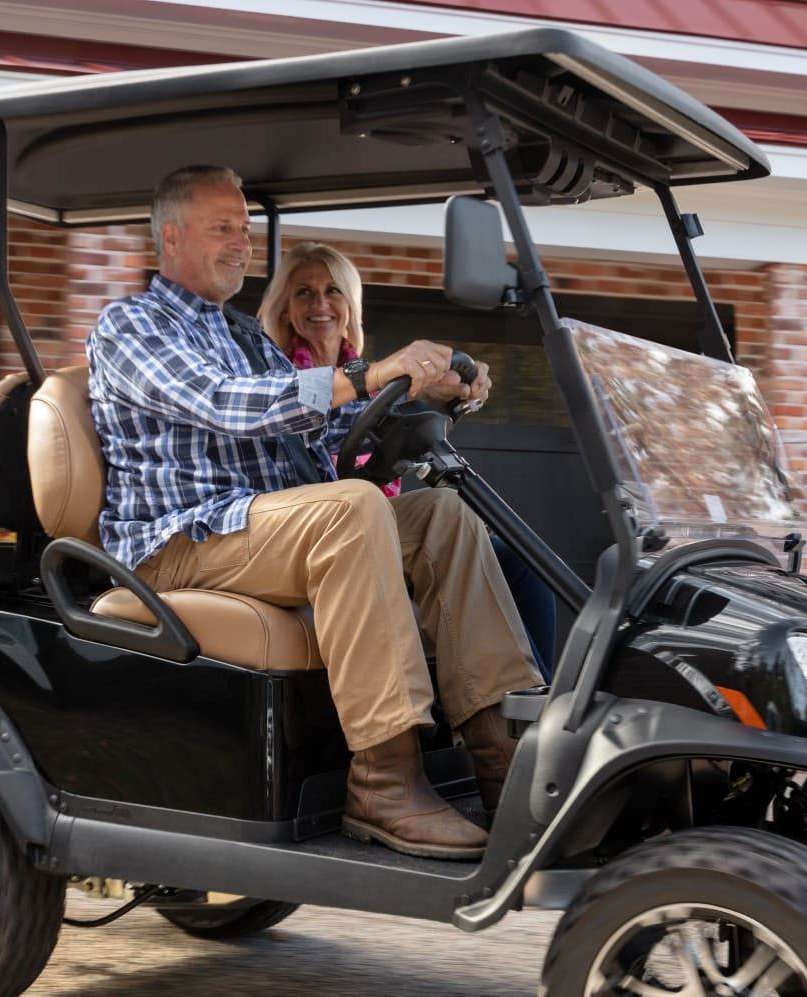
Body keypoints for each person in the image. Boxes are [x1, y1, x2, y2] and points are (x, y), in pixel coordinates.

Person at [86, 165, 541, 861]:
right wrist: (369, 372)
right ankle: (383, 781)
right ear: (170, 237)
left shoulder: (242, 335)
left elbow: (322, 439)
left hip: (254, 529)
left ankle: (504, 757)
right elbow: (223, 403)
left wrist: (433, 394)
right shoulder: (130, 326)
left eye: (244, 229)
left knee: (440, 517)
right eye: (222, 228)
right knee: (350, 510)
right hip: (176, 544)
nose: (241, 242)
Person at [256, 241, 558, 675]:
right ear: (285, 308)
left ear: (350, 305)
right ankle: (512, 706)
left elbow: (383, 418)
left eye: (333, 291)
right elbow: (325, 422)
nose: (320, 303)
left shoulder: (363, 372)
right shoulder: (279, 380)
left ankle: (538, 701)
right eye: (304, 292)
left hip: (373, 521)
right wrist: (393, 386)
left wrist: (450, 392)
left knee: (520, 560)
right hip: (317, 533)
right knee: (465, 545)